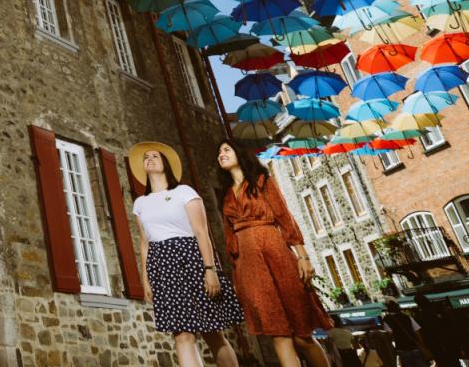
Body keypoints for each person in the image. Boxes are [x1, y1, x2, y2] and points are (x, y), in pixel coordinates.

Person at [216, 141, 332, 367]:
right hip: (250, 266)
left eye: (226, 150)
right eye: (219, 152)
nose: (221, 154)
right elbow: (229, 236)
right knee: (278, 335)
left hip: (276, 253)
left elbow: (284, 217)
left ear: (240, 153)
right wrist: (237, 273)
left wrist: (302, 256)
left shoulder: (263, 181)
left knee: (302, 336)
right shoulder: (225, 195)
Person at [129, 141, 245, 367]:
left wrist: (210, 270)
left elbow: (202, 232)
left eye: (155, 156)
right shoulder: (140, 203)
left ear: (166, 164)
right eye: (146, 158)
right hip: (161, 266)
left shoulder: (184, 192)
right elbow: (144, 244)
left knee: (213, 332)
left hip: (192, 259)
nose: (149, 159)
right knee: (182, 335)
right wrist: (145, 279)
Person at [380, 302, 427, 366]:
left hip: (402, 348)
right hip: (415, 347)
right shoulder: (407, 317)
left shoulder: (387, 320)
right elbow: (417, 332)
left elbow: (389, 335)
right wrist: (422, 344)